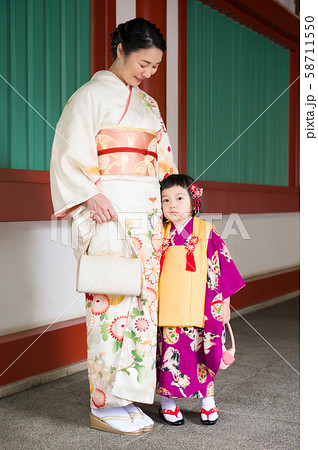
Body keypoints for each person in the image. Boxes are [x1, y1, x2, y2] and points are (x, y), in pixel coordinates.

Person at [50, 18, 177, 435]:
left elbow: (163, 161)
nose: (148, 74)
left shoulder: (149, 106)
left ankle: (128, 397)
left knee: (142, 308)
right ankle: (102, 404)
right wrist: (90, 195)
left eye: (155, 68)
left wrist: (169, 204)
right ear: (120, 48)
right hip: (108, 209)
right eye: (143, 64)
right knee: (110, 305)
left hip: (145, 211)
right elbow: (68, 152)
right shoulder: (89, 96)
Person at [157, 174, 245, 426]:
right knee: (168, 356)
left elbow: (222, 267)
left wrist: (225, 303)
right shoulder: (159, 233)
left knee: (202, 354)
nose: (172, 205)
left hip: (201, 307)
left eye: (179, 198)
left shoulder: (206, 230)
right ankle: (167, 403)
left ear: (194, 200)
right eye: (166, 200)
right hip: (168, 307)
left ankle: (207, 401)